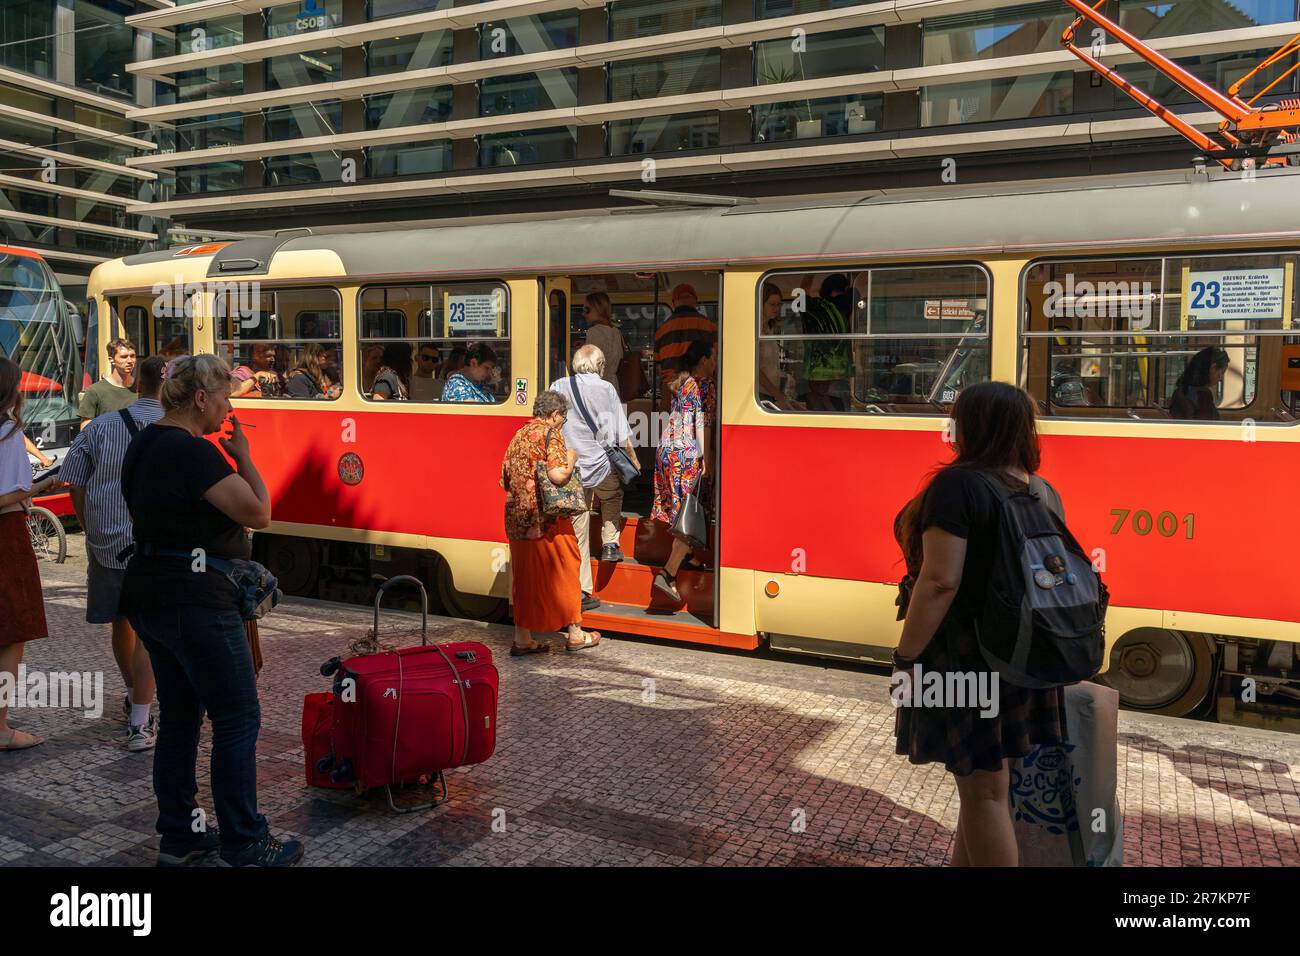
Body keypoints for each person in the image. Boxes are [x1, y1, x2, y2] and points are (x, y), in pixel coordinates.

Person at [119, 354, 303, 867]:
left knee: (180, 718)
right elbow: (259, 512)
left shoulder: (145, 442)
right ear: (200, 398)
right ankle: (245, 840)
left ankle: (179, 837)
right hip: (195, 601)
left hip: (150, 594)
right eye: (224, 399)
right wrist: (243, 456)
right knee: (238, 716)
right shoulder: (192, 452)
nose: (227, 410)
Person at [892, 381, 1068, 867]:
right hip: (1023, 658)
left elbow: (940, 582)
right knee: (990, 786)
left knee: (983, 793)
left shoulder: (959, 486)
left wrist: (905, 656)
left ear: (970, 427)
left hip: (966, 659)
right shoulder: (1041, 490)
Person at [62, 356, 167, 752]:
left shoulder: (102, 427)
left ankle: (131, 694)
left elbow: (73, 479)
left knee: (121, 621)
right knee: (150, 628)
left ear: (134, 383)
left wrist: (89, 526)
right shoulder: (177, 430)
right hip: (157, 545)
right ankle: (141, 720)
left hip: (107, 539)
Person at [500, 390, 602, 656]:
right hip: (547, 521)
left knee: (524, 580)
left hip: (517, 520)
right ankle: (576, 634)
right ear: (555, 415)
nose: (562, 424)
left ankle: (523, 639)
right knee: (567, 568)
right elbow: (558, 475)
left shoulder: (517, 436)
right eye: (563, 419)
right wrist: (571, 457)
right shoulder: (550, 434)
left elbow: (505, 481)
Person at [0, 357, 61, 751]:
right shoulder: (7, 431)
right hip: (5, 535)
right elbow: (8, 494)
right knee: (11, 633)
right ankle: (1, 728)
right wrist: (33, 490)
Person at [550, 344, 640, 610]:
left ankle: (582, 590)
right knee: (612, 495)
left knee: (579, 529)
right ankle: (611, 542)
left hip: (571, 469)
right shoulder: (607, 389)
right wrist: (633, 459)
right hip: (600, 466)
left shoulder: (558, 385)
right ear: (600, 366)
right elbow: (620, 431)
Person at [651, 339, 716, 602]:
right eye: (713, 356)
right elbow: (704, 423)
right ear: (703, 360)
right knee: (690, 514)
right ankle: (668, 573)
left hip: (668, 450)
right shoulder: (705, 386)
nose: (716, 362)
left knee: (682, 511)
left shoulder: (684, 384)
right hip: (687, 454)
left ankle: (688, 557)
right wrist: (706, 457)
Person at [798, 272, 854, 412]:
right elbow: (863, 282)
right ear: (844, 289)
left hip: (814, 373)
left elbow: (801, 291)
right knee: (838, 413)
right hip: (839, 373)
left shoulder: (813, 306)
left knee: (816, 410)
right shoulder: (847, 302)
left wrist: (811, 270)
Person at [653, 283, 716, 391]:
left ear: (674, 302)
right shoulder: (709, 326)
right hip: (700, 386)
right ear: (695, 300)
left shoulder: (661, 330)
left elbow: (658, 365)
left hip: (671, 386)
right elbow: (716, 359)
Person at [80, 337, 138, 425]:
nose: (130, 361)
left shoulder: (143, 388)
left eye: (132, 356)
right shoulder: (95, 391)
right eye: (124, 357)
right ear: (111, 360)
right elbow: (86, 429)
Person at [758, 282, 794, 409]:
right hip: (759, 395)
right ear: (760, 304)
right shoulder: (753, 330)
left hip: (771, 392)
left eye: (779, 305)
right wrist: (778, 395)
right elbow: (755, 370)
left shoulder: (769, 329)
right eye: (772, 304)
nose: (776, 308)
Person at [1169, 346, 1229, 421]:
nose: (1221, 378)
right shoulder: (1185, 395)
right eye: (1221, 373)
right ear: (1212, 368)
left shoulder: (1203, 393)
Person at [580, 293, 624, 391]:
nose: (583, 314)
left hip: (597, 385)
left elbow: (590, 365)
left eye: (587, 310)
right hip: (613, 384)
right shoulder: (616, 332)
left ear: (597, 309)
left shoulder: (594, 332)